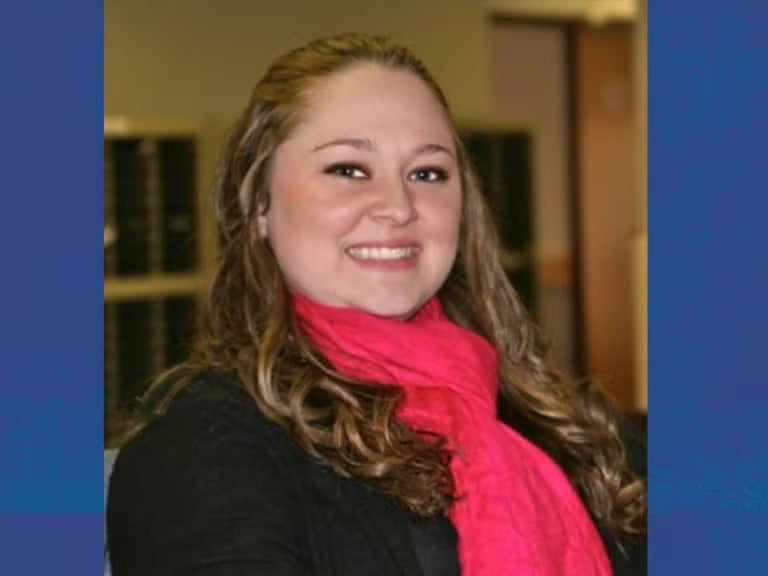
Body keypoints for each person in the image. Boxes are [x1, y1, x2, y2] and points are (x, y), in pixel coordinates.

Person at [107, 33, 646, 575]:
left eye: (427, 173)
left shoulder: (563, 424)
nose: (398, 206)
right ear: (259, 205)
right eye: (348, 170)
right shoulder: (204, 446)